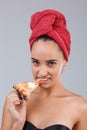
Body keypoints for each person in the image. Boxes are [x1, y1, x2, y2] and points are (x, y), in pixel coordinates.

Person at [1, 9, 87, 130]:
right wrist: (18, 123)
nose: (41, 73)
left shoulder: (81, 107)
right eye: (36, 62)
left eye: (51, 63)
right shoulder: (15, 101)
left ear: (65, 60)